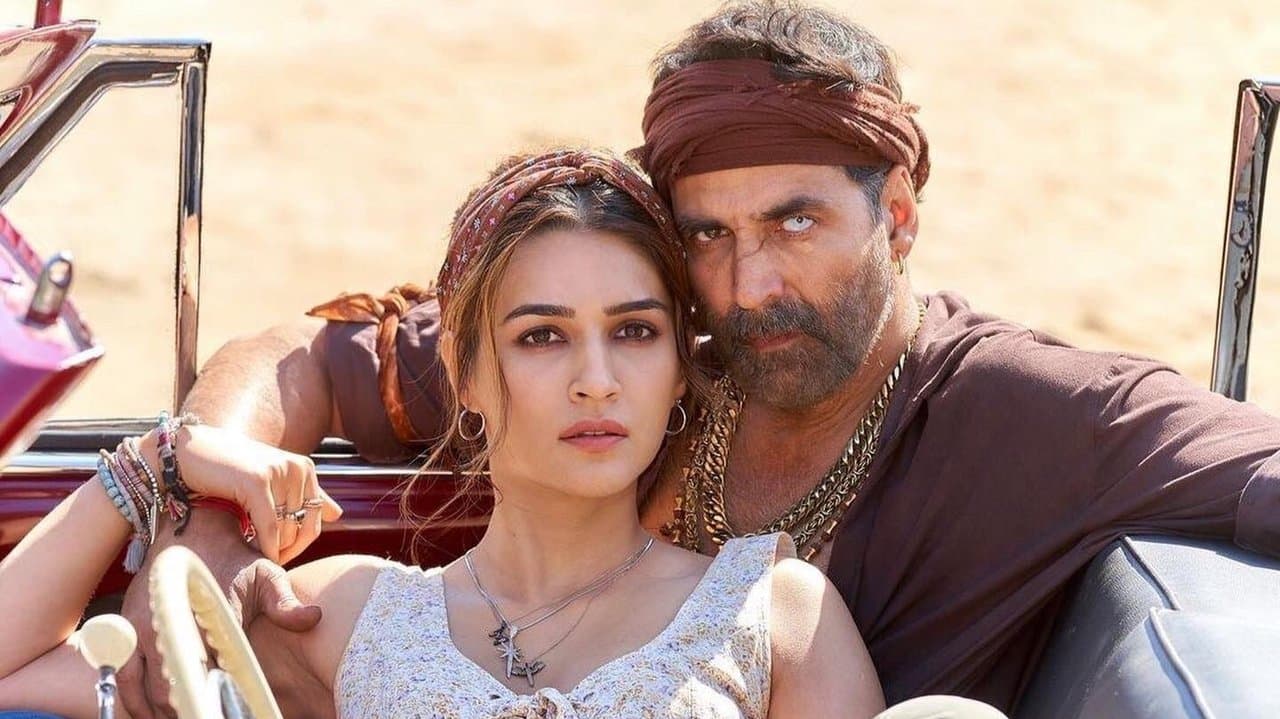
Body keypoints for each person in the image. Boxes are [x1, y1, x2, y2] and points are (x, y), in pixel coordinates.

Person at [95, 0, 1280, 715]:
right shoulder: (640, 346)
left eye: (795, 222)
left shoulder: (1043, 414)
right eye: (709, 232)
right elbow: (295, 357)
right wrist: (203, 526)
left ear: (898, 214)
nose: (749, 282)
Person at [0, 149, 921, 718]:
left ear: (680, 367)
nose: (597, 378)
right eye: (542, 336)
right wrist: (164, 459)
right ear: (467, 373)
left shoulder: (772, 612)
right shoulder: (345, 616)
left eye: (635, 332)